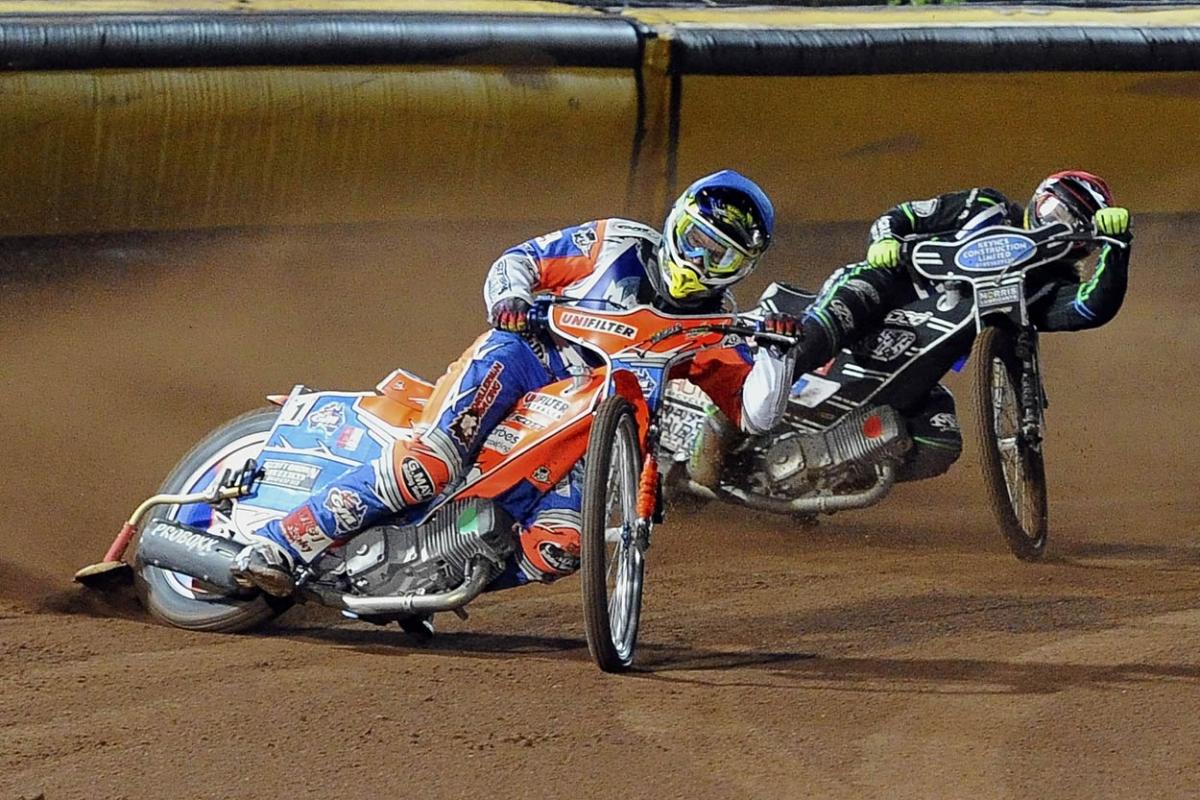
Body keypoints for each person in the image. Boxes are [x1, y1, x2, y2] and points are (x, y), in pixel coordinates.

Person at [232, 170, 799, 597]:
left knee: (559, 547)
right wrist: (510, 301)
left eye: (720, 254)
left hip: (592, 432)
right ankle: (280, 543)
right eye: (696, 239)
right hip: (525, 359)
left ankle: (430, 574)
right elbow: (521, 259)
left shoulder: (720, 327)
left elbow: (756, 414)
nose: (699, 260)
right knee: (427, 466)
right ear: (675, 224)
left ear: (742, 269)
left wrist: (776, 349)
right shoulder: (616, 241)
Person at [786, 170, 1133, 481]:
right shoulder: (984, 205)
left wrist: (1118, 247)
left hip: (914, 364)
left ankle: (822, 479)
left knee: (939, 441)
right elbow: (904, 214)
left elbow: (1091, 308)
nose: (1059, 228)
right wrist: (885, 241)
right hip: (884, 288)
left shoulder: (1046, 286)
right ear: (1038, 200)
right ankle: (752, 401)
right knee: (822, 334)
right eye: (1055, 213)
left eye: (1077, 230)